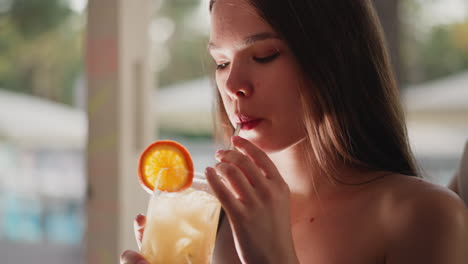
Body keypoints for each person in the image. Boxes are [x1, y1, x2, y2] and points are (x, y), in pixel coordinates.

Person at [121, 0, 468, 263]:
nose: (233, 85)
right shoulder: (210, 221)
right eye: (222, 62)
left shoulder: (424, 217)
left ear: (334, 58)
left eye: (265, 55)